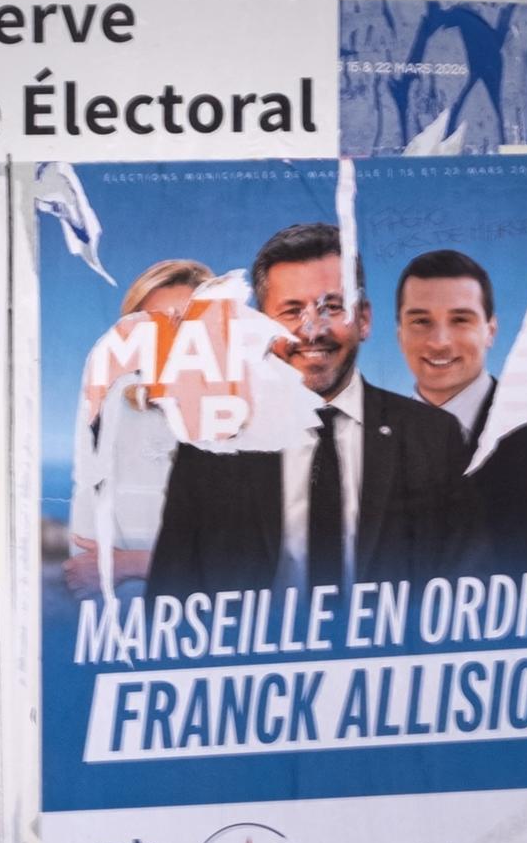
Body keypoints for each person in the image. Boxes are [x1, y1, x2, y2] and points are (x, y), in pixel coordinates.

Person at [148, 221, 474, 602]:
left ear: (364, 319)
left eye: (332, 307)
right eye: (291, 311)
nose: (312, 329)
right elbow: (168, 606)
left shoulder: (435, 439)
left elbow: (465, 592)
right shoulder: (209, 447)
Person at [395, 247, 527, 577]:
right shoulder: (368, 445)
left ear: (491, 331)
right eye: (421, 322)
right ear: (400, 333)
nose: (439, 341)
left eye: (460, 320)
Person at [63, 258, 214, 599]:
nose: (170, 340)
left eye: (186, 324)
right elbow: (88, 564)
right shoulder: (112, 407)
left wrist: (133, 563)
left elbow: (250, 560)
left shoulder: (250, 421)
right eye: (153, 325)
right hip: (132, 625)